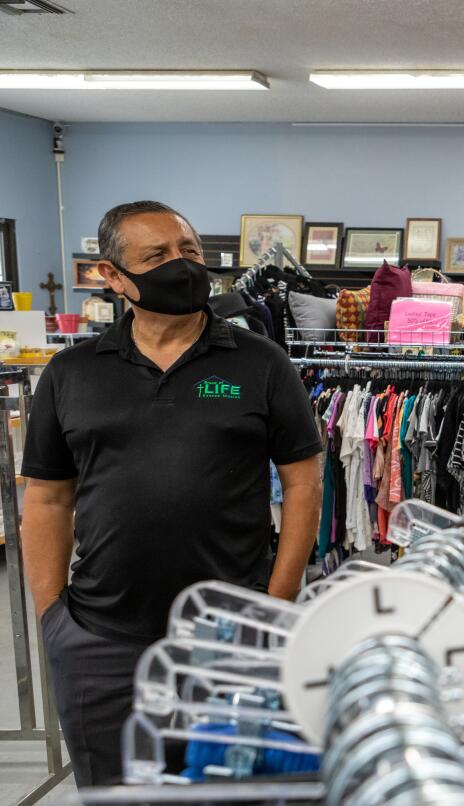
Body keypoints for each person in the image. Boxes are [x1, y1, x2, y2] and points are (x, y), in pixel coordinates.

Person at [21, 201, 323, 785]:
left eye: (188, 251)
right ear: (112, 275)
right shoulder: (72, 372)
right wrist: (52, 617)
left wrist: (277, 605)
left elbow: (303, 484)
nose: (180, 265)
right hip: (100, 640)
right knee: (113, 792)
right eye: (156, 256)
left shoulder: (261, 363)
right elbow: (48, 499)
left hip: (232, 633)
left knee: (231, 790)